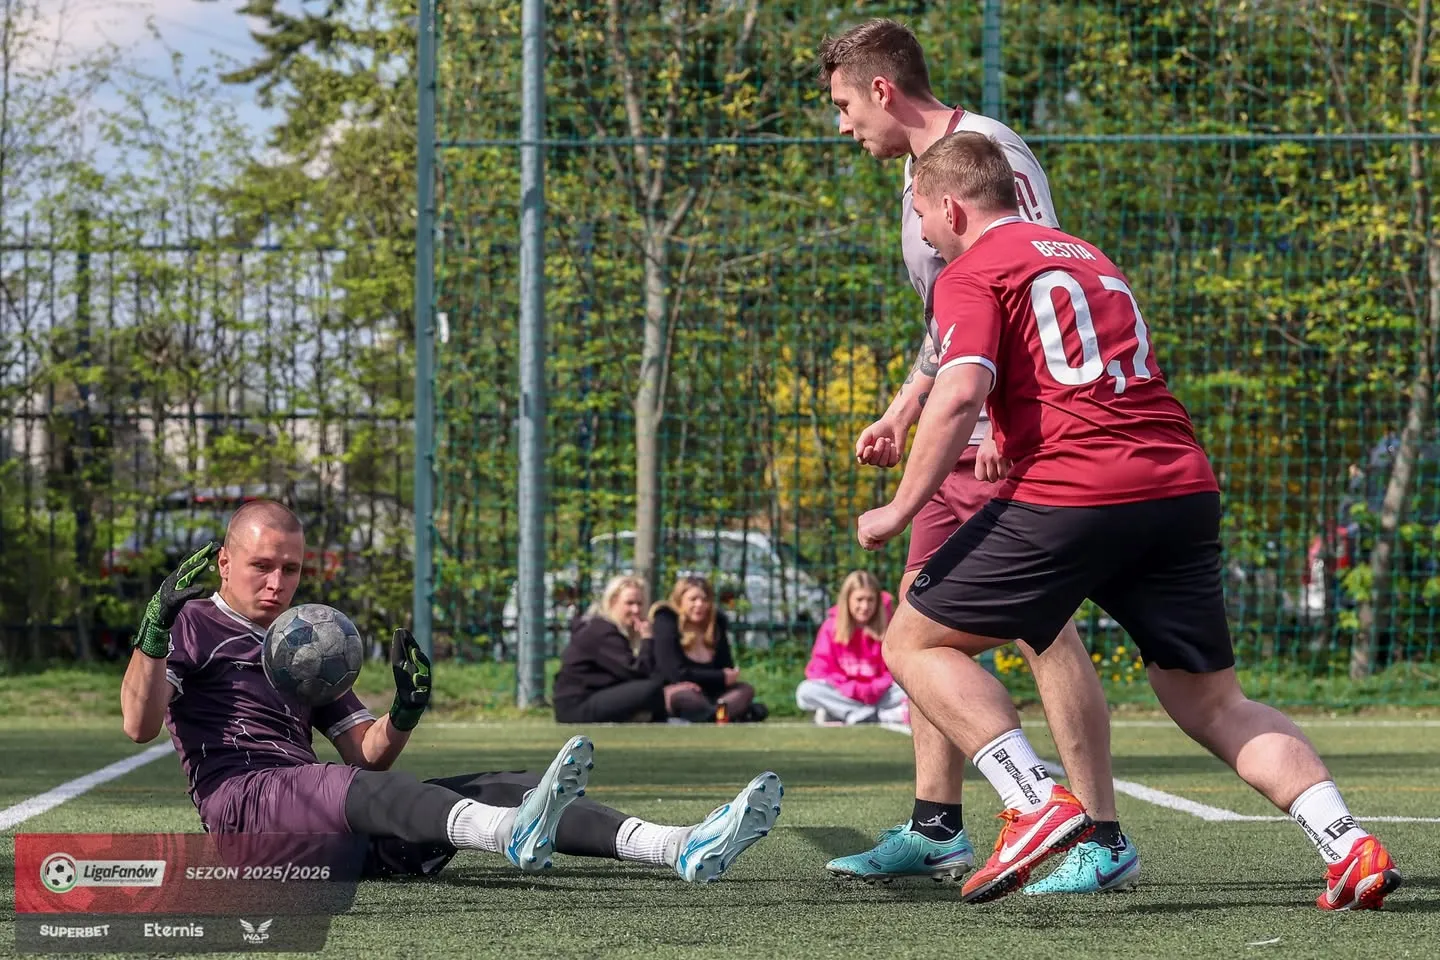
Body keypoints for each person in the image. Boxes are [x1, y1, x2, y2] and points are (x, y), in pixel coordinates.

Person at [858, 130, 1403, 910]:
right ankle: (1347, 843)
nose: (922, 229)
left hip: (1078, 489)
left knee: (913, 640)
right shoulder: (1090, 256)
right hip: (1180, 487)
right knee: (1210, 701)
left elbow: (959, 390)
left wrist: (900, 506)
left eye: (920, 213)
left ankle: (1032, 801)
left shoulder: (970, 270)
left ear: (951, 206)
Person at [817, 17, 1137, 894]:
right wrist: (903, 407)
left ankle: (1101, 833)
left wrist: (1000, 425)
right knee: (920, 619)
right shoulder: (918, 176)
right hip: (950, 434)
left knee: (1043, 626)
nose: (843, 125)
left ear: (882, 89)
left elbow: (1041, 285)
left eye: (844, 105)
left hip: (1002, 437)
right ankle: (937, 827)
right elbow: (950, 322)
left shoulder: (990, 151)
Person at [119, 501, 782, 884]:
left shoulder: (304, 637)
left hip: (325, 827)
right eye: (262, 566)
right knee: (350, 788)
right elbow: (139, 724)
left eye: (290, 568)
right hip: (244, 813)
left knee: (504, 785)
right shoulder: (191, 622)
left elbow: (367, 754)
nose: (277, 582)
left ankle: (677, 845)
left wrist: (405, 710)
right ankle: (508, 835)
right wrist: (154, 633)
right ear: (224, 562)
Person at [553, 575, 676, 724]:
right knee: (652, 690)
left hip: (592, 697)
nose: (636, 610)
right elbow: (638, 672)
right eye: (629, 603)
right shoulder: (601, 631)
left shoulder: (608, 630)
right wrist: (647, 639)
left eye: (639, 604)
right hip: (577, 705)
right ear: (612, 602)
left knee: (654, 689)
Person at [649, 575, 767, 724]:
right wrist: (720, 677)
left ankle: (715, 715)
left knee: (745, 690)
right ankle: (724, 715)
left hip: (713, 695)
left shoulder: (716, 625)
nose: (699, 604)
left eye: (704, 600)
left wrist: (727, 677)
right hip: (679, 690)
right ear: (680, 600)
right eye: (693, 599)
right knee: (686, 697)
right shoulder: (666, 621)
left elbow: (725, 667)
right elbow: (675, 673)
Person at [796, 571, 908, 726]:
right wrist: (849, 687)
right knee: (805, 691)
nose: (865, 606)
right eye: (859, 600)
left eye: (870, 600)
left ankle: (846, 713)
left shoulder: (889, 627)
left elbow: (896, 669)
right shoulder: (830, 627)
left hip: (880, 694)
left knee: (910, 688)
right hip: (844, 693)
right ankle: (873, 715)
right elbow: (819, 669)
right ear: (847, 600)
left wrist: (874, 687)